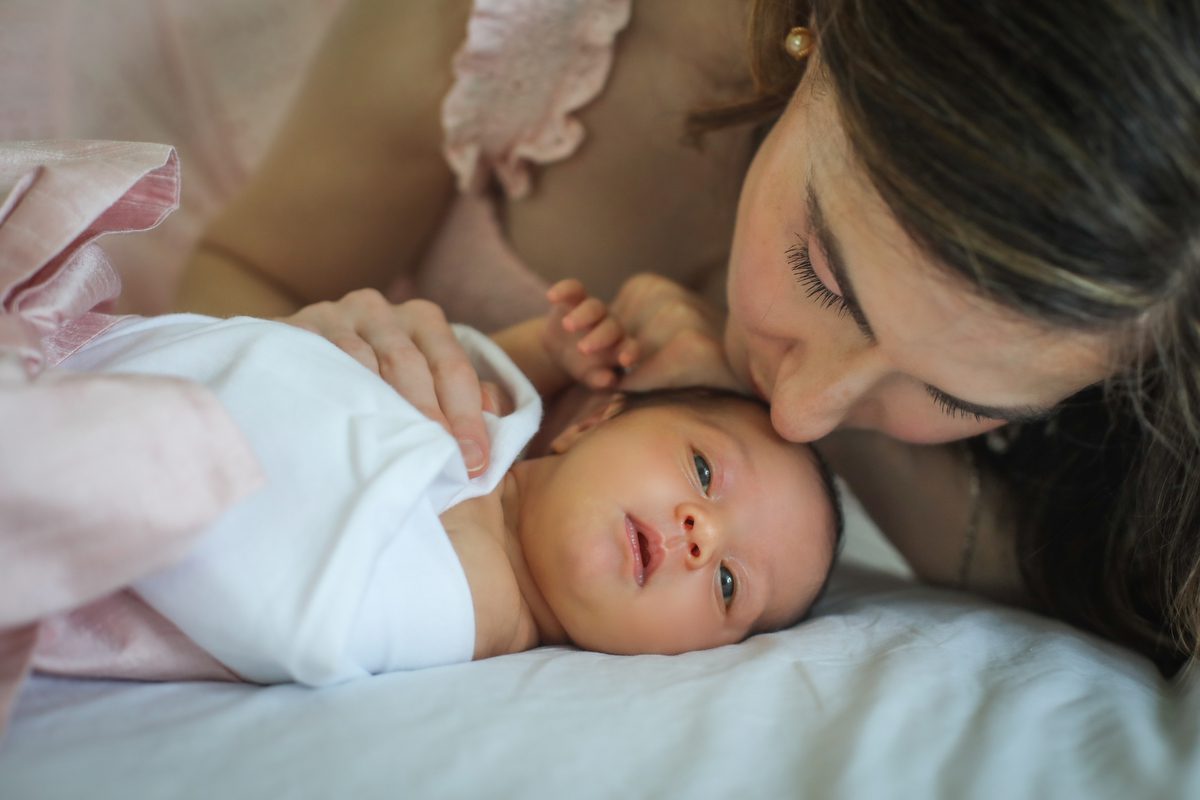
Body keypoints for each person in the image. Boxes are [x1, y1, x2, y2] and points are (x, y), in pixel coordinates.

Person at [176, 1, 1200, 673]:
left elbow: (1066, 579)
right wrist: (325, 357)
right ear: (823, 34)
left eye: (963, 400)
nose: (802, 410)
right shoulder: (526, 37)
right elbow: (243, 275)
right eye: (820, 272)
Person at [44, 281, 841, 685]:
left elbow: (285, 595)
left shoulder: (477, 605)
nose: (702, 534)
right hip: (70, 356)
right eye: (704, 471)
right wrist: (541, 349)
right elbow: (433, 382)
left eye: (731, 584)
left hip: (88, 468)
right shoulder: (495, 443)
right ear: (592, 420)